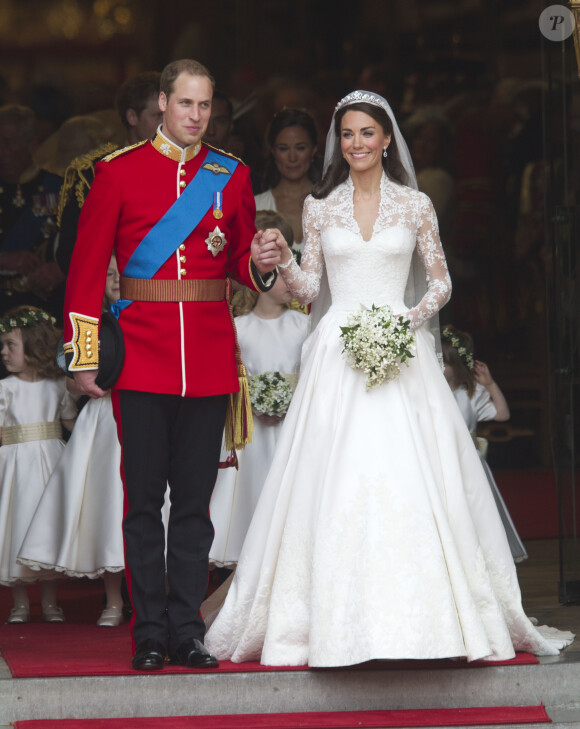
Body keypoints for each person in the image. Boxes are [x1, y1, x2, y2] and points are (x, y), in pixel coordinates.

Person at [205, 90, 574, 667]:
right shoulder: (320, 208)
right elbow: (309, 292)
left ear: (385, 139)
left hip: (402, 350)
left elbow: (440, 283)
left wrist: (406, 322)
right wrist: (280, 262)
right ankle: (329, 622)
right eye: (347, 134)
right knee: (336, 480)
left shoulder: (416, 204)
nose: (356, 144)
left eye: (366, 134)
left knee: (411, 479)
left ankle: (427, 622)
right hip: (336, 354)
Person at [62, 58, 280, 672]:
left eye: (205, 106)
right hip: (141, 361)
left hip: (208, 360)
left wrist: (260, 259)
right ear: (162, 102)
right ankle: (148, 631)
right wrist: (84, 358)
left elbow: (239, 261)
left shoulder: (230, 174)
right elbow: (84, 274)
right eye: (186, 104)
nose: (195, 116)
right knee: (141, 504)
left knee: (193, 505)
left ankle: (187, 629)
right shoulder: (118, 172)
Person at [18, 254, 127, 627]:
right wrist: (88, 378)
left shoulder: (149, 318)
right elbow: (70, 380)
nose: (114, 278)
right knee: (105, 506)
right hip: (102, 423)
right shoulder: (88, 326)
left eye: (120, 272)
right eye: (107, 273)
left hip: (146, 416)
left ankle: (157, 598)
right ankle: (113, 601)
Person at [209, 211, 310, 569]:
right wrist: (254, 399)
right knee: (251, 493)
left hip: (291, 430)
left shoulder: (305, 325)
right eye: (282, 274)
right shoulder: (239, 327)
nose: (289, 281)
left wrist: (288, 400)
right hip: (250, 432)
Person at [0, 306, 77, 622]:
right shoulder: (5, 389)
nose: (4, 352)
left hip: (50, 463)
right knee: (16, 523)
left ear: (34, 346)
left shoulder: (58, 385)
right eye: (2, 346)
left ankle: (49, 601)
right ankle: (19, 602)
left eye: (10, 345)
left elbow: (71, 422)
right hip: (15, 464)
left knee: (47, 524)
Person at [55, 71, 163, 275]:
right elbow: (70, 252)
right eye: (158, 115)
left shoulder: (190, 165)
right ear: (132, 117)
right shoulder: (93, 172)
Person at [441, 324, 527, 563]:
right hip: (440, 459)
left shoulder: (471, 392)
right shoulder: (432, 392)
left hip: (468, 461)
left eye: (446, 363)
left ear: (457, 365)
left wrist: (490, 384)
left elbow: (502, 414)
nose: (441, 367)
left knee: (474, 513)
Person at [0, 105, 63, 319]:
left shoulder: (59, 189)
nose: (1, 152)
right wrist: (4, 259)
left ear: (32, 144)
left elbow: (85, 246)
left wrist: (60, 269)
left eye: (8, 144)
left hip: (43, 310)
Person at [254, 108, 321, 259]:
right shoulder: (256, 206)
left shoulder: (331, 202)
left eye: (301, 148)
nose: (292, 157)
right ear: (272, 151)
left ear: (314, 149)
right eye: (283, 149)